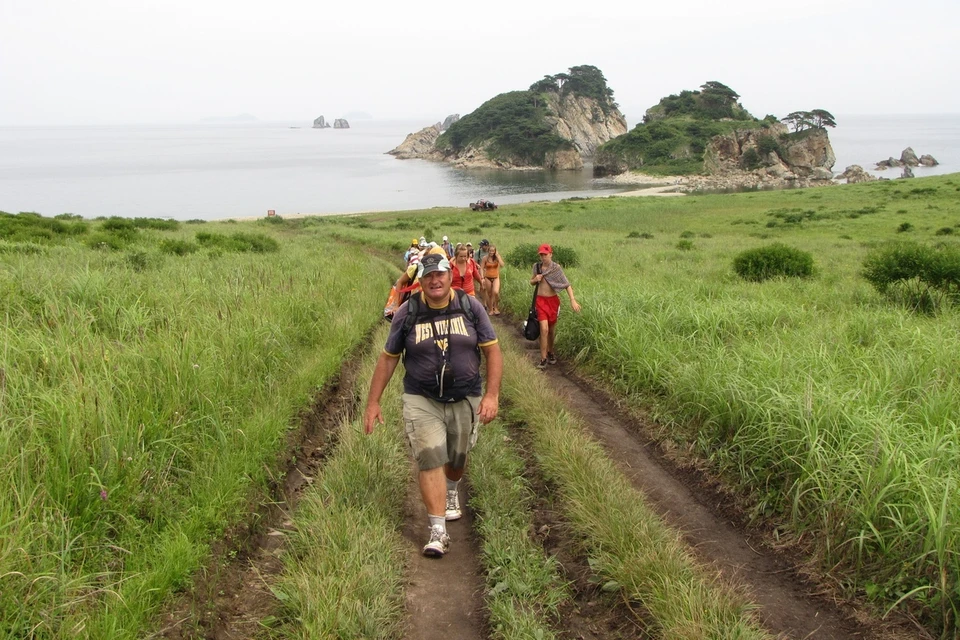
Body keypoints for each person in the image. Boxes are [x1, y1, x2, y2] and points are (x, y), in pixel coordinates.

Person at [364, 253, 502, 558]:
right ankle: (438, 530)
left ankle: (452, 490)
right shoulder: (407, 312)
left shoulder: (470, 307)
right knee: (430, 457)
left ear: (449, 275)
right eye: (428, 277)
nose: (435, 281)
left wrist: (491, 395)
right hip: (421, 397)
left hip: (465, 396)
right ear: (421, 281)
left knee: (457, 456)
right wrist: (372, 402)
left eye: (439, 275)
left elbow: (493, 352)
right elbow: (388, 359)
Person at [529, 243, 581, 370]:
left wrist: (572, 300)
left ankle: (550, 351)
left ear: (551, 254)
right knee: (544, 329)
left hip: (553, 302)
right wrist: (536, 279)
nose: (543, 257)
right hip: (540, 301)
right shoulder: (536, 267)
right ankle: (543, 358)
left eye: (545, 254)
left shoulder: (556, 268)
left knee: (551, 331)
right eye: (541, 255)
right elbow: (531, 282)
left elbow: (566, 284)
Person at [480, 244, 505, 315]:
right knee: (490, 294)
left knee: (496, 292)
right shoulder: (485, 258)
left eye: (493, 251)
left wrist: (498, 256)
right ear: (488, 251)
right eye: (490, 251)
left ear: (495, 251)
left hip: (496, 277)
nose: (491, 252)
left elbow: (502, 264)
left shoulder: (497, 257)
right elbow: (481, 268)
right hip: (487, 277)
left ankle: (496, 307)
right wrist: (482, 277)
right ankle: (491, 309)